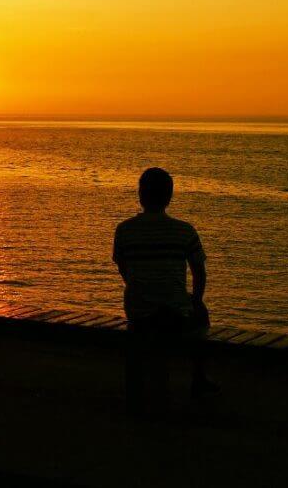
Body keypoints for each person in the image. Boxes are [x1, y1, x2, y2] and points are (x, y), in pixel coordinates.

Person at [113, 166, 218, 408]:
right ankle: (198, 378)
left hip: (138, 313)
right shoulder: (185, 231)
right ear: (169, 197)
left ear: (140, 195)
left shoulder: (124, 230)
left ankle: (138, 391)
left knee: (141, 331)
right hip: (175, 315)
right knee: (201, 312)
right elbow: (199, 272)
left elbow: (123, 268)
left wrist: (142, 288)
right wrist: (195, 299)